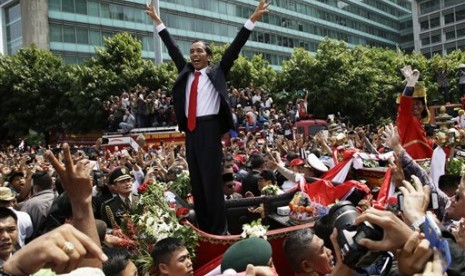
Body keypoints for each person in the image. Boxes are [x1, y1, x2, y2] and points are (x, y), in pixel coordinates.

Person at [146, 0, 270, 234]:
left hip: (211, 128)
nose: (194, 54)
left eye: (199, 50)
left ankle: (218, 230)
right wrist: (158, 22)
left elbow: (235, 46)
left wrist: (252, 19)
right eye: (192, 51)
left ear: (208, 56)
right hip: (191, 131)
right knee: (198, 182)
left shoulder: (217, 71)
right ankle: (203, 226)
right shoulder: (186, 73)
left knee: (212, 182)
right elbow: (172, 47)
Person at [396, 66, 433, 160]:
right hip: (410, 162)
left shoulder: (421, 124)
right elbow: (404, 103)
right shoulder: (406, 118)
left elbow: (424, 145)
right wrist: (411, 83)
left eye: (417, 103)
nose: (415, 106)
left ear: (424, 106)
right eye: (412, 104)